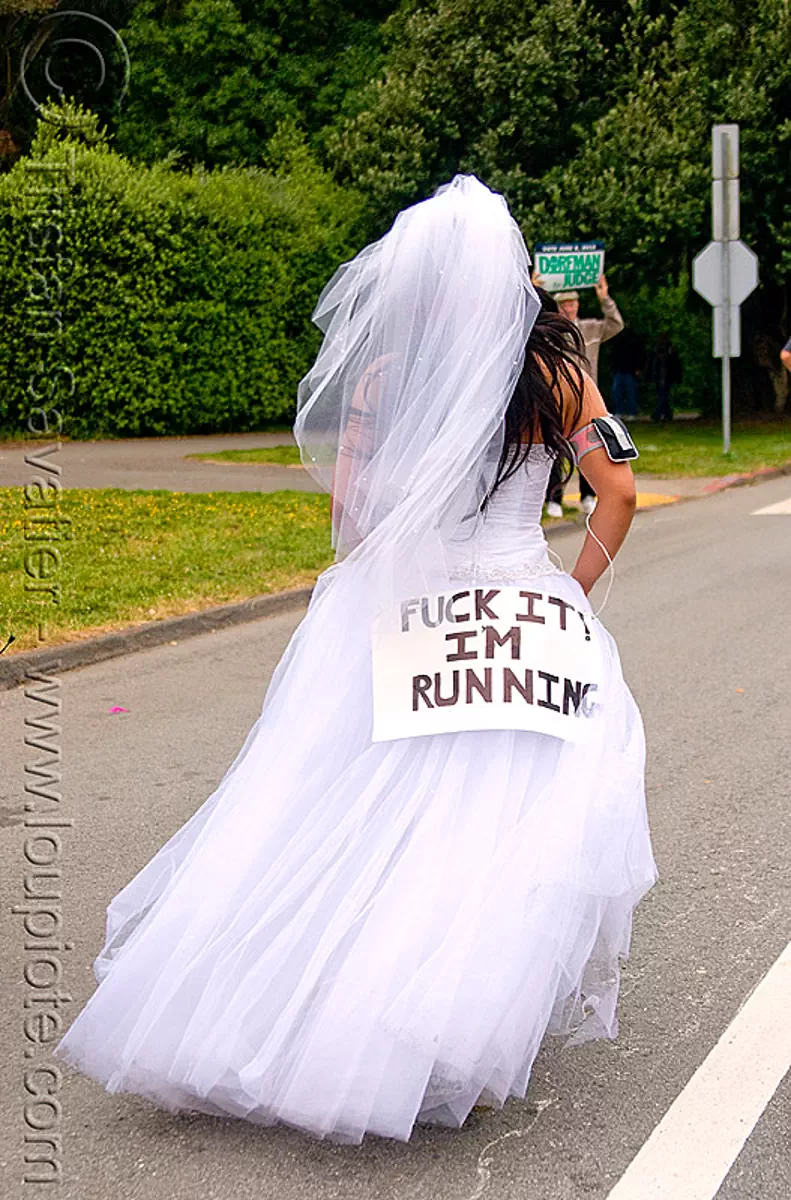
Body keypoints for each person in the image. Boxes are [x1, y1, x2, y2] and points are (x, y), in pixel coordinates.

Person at [54, 176, 657, 1144]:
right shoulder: (557, 378)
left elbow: (351, 515)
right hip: (516, 605)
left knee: (334, 802)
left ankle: (273, 1007)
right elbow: (616, 493)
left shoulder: (380, 380)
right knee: (493, 817)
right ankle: (432, 1022)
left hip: (404, 604)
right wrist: (566, 592)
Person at [538, 275, 624, 517]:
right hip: (558, 398)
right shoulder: (551, 331)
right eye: (564, 304)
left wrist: (604, 298)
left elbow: (616, 324)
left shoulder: (590, 328)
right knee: (557, 450)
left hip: (586, 398)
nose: (569, 308)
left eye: (572, 304)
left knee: (588, 448)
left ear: (578, 305)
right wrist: (534, 292)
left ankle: (588, 495)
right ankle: (554, 498)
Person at [610, 327, 645, 419]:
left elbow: (638, 355)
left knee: (629, 392)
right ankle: (621, 411)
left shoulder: (631, 342)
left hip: (628, 370)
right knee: (619, 392)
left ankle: (630, 411)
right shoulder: (620, 341)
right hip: (622, 369)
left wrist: (637, 368)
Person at [651, 332, 683, 422]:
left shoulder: (669, 351)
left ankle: (659, 414)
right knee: (663, 396)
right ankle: (666, 414)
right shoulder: (658, 350)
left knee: (663, 396)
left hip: (666, 376)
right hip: (661, 376)